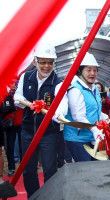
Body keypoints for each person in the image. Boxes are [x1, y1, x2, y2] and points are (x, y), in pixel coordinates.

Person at [14, 43, 62, 197]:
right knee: (28, 169)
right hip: (28, 131)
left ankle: (49, 197)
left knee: (49, 169)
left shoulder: (58, 82)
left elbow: (61, 107)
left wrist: (57, 114)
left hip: (49, 133)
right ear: (35, 62)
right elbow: (17, 98)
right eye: (42, 62)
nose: (46, 66)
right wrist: (31, 105)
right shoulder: (26, 77)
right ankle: (33, 196)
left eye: (50, 62)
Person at [62, 52, 106, 162]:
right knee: (85, 170)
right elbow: (78, 117)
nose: (92, 73)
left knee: (93, 169)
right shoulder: (75, 90)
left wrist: (107, 119)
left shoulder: (95, 88)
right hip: (77, 138)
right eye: (88, 70)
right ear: (80, 71)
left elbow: (95, 110)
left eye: (95, 70)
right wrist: (94, 129)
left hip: (91, 137)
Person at [2, 80, 23, 176]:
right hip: (9, 123)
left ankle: (24, 165)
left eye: (15, 83)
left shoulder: (22, 92)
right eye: (11, 83)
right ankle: (11, 167)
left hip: (21, 122)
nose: (13, 85)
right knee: (9, 147)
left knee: (23, 144)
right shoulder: (4, 94)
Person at [95, 81, 110, 160]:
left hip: (105, 120)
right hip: (96, 120)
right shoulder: (92, 95)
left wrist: (104, 101)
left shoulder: (106, 96)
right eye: (96, 87)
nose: (98, 89)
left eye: (99, 87)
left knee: (108, 137)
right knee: (96, 136)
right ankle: (96, 151)